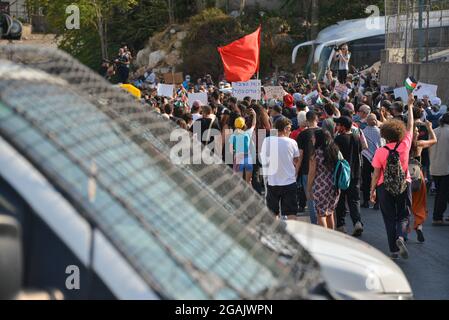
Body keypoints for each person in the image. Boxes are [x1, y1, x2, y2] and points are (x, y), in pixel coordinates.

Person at [370, 94, 415, 260]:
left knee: (389, 218)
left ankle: (393, 251)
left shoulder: (380, 151)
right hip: (404, 183)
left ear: (384, 135)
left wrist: (372, 191)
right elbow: (410, 126)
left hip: (384, 187)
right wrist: (409, 106)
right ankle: (401, 237)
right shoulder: (405, 145)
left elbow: (375, 174)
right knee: (403, 215)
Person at [260, 118, 300, 220]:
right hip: (289, 181)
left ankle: (275, 234)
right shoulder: (292, 142)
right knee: (291, 213)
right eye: (290, 129)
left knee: (273, 214)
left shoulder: (267, 140)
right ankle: (292, 234)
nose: (290, 131)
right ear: (286, 128)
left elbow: (263, 158)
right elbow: (296, 160)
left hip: (273, 181)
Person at [334, 116, 364, 236]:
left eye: (338, 125)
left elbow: (334, 155)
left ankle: (341, 226)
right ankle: (357, 222)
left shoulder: (338, 139)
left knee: (340, 200)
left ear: (342, 126)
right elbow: (361, 151)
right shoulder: (356, 138)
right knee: (354, 200)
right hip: (355, 173)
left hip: (342, 174)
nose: (337, 127)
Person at [307, 130, 341, 229]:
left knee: (320, 214)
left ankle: (325, 238)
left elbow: (312, 173)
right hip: (334, 185)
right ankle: (332, 238)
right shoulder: (335, 150)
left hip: (320, 186)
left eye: (313, 137)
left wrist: (308, 188)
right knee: (330, 213)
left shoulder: (315, 153)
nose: (312, 139)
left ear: (318, 139)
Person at [410, 119, 437, 242]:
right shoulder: (419, 143)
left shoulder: (403, 144)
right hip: (417, 175)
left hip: (404, 174)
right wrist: (430, 128)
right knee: (420, 202)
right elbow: (434, 140)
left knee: (404, 203)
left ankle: (403, 231)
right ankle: (419, 225)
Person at [296, 111, 320, 224]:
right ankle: (324, 223)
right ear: (317, 119)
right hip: (323, 169)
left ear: (307, 120)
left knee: (310, 197)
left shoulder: (302, 134)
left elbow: (300, 156)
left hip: (307, 169)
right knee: (322, 197)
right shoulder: (324, 132)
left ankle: (315, 223)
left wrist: (296, 171)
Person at [429, 113, 449, 226]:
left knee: (441, 192)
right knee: (443, 194)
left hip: (435, 167)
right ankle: (437, 217)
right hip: (446, 167)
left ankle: (438, 216)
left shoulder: (435, 131)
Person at [229, 109, 257, 184]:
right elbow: (254, 124)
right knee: (249, 182)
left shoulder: (233, 135)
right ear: (244, 125)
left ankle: (241, 196)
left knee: (239, 182)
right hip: (248, 158)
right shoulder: (247, 133)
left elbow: (231, 150)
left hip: (238, 159)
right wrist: (254, 115)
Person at [361, 114, 383, 209]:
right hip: (378, 158)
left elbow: (362, 145)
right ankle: (377, 202)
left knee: (366, 180)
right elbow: (382, 145)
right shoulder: (380, 132)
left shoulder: (363, 132)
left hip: (366, 157)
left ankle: (366, 201)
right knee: (378, 180)